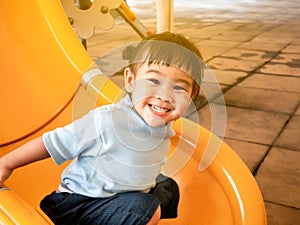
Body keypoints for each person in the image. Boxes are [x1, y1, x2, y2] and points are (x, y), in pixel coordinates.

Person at [0, 32, 204, 225]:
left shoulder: (163, 121)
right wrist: (7, 164)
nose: (165, 95)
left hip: (119, 195)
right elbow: (51, 143)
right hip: (78, 205)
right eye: (153, 80)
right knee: (147, 209)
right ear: (131, 81)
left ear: (191, 95)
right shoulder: (108, 121)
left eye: (179, 87)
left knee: (168, 188)